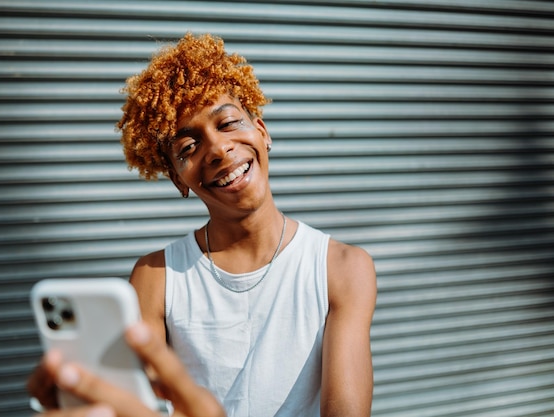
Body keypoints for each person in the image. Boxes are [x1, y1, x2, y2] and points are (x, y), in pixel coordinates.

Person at [28, 32, 377, 417]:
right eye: (188, 148)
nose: (217, 149)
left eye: (227, 123)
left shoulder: (342, 267)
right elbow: (136, 403)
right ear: (179, 179)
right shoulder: (155, 277)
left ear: (262, 131)